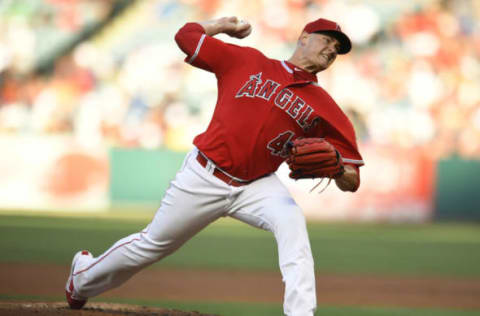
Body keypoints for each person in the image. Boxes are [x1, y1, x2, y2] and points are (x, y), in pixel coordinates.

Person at [65, 16, 364, 316]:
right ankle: (82, 277)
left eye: (337, 48)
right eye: (326, 40)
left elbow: (352, 180)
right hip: (204, 174)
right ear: (303, 37)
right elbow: (186, 36)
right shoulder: (248, 61)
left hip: (257, 185)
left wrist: (339, 169)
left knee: (292, 223)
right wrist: (221, 26)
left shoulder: (327, 108)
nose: (331, 50)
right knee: (151, 246)